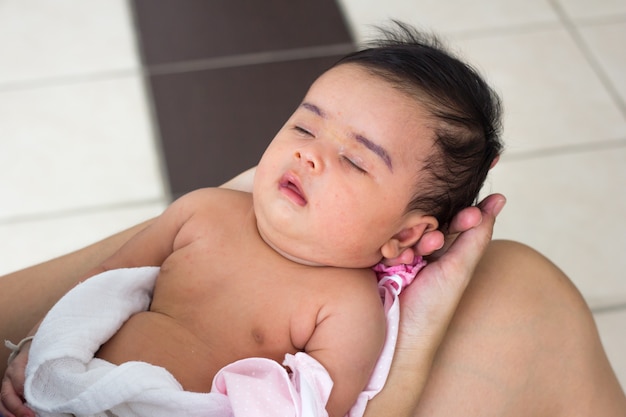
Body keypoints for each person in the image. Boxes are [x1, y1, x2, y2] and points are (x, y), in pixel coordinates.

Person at [2, 28, 626, 417]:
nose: (308, 152)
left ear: (406, 235)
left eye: (354, 159)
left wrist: (421, 330)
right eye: (304, 125)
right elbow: (94, 289)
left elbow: (341, 412)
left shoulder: (345, 307)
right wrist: (40, 352)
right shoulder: (204, 211)